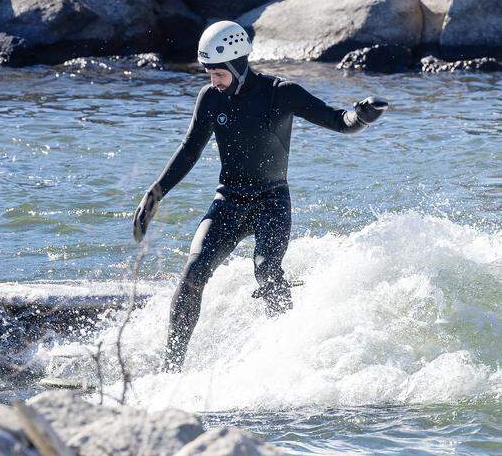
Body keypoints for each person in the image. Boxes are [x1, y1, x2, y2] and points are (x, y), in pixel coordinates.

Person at [133, 21, 388, 373]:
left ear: (238, 64)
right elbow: (189, 149)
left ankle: (287, 360)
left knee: (267, 271)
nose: (214, 81)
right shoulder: (210, 99)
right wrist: (156, 192)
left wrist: (362, 116)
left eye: (219, 73)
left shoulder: (280, 93)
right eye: (209, 73)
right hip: (228, 201)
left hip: (272, 203)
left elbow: (338, 121)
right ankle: (171, 368)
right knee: (193, 273)